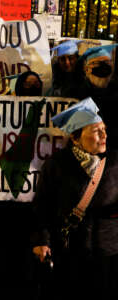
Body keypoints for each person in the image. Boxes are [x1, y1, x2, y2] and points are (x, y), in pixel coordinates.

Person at [31, 97, 118, 300]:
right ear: (75, 137)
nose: (104, 135)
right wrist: (42, 241)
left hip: (109, 253)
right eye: (96, 131)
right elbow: (42, 207)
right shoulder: (56, 165)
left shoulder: (114, 162)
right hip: (70, 253)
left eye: (104, 129)